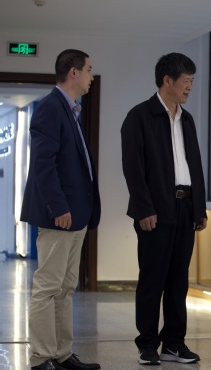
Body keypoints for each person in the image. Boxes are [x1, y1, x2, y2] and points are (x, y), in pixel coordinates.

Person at [121, 52, 208, 366]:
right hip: (154, 211)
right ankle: (147, 344)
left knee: (178, 281)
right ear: (167, 80)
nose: (190, 87)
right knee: (152, 280)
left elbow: (194, 164)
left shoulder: (187, 119)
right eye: (186, 81)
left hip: (185, 207)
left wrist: (199, 208)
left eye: (192, 81)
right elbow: (133, 168)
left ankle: (173, 343)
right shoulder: (139, 116)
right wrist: (144, 209)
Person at [21, 49, 101, 370]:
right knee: (48, 287)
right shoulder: (50, 108)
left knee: (66, 288)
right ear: (73, 72)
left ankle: (62, 354)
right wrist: (58, 206)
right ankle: (42, 357)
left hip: (77, 215)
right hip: (60, 214)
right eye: (89, 70)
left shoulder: (72, 110)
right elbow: (43, 164)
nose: (91, 76)